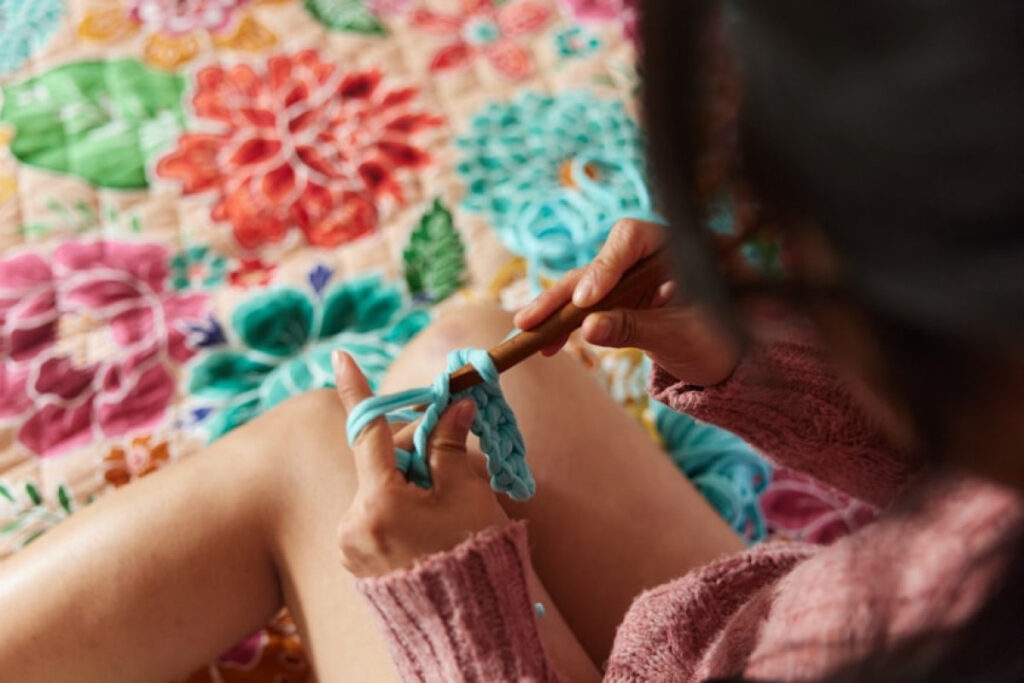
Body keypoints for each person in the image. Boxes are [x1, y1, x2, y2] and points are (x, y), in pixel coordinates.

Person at [2, 0, 1022, 680]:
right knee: (466, 341)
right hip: (754, 638)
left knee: (310, 455)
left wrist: (453, 609)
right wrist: (747, 358)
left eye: (801, 247)